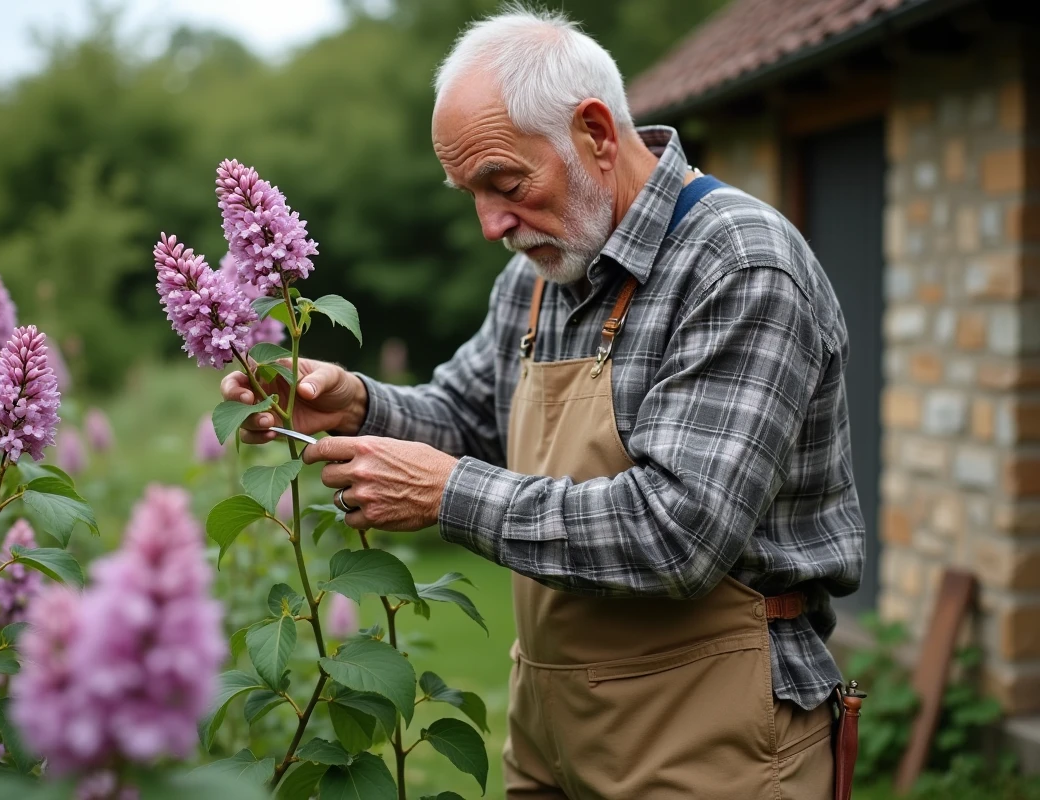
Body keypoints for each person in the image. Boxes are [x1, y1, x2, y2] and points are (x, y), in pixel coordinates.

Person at [221, 7, 864, 799]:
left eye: (507, 183)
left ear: (595, 133)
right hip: (554, 729)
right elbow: (468, 418)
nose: (492, 224)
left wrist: (446, 494)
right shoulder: (543, 271)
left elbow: (679, 533)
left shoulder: (739, 265)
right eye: (470, 194)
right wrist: (356, 404)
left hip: (713, 737)